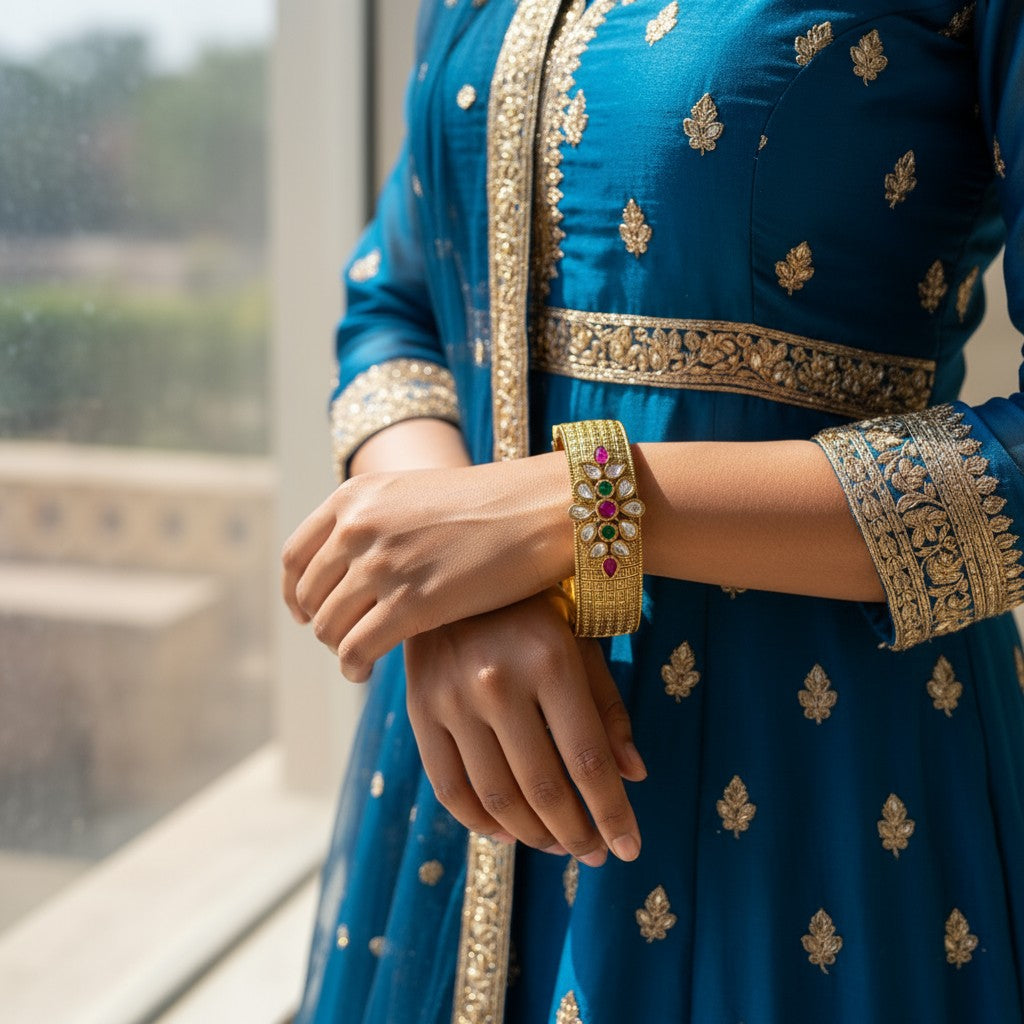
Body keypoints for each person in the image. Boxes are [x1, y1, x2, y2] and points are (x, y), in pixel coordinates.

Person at [281, 0, 1024, 1020]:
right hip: (470, 731)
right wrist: (460, 593)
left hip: (814, 783)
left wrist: (573, 510)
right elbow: (397, 298)